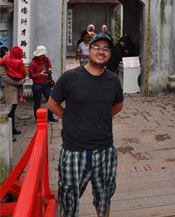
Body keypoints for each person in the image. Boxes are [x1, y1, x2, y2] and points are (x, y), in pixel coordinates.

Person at [49, 32, 124, 217]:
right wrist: (71, 118)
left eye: (106, 49)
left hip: (104, 150)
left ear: (110, 53)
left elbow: (118, 105)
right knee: (68, 201)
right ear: (88, 50)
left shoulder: (113, 80)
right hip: (74, 151)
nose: (101, 51)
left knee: (104, 197)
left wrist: (98, 117)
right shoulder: (70, 77)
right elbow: (52, 104)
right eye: (97, 47)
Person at [0, 45, 26, 140]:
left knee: (13, 109)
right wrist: (18, 82)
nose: (9, 52)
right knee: (10, 110)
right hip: (10, 88)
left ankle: (13, 129)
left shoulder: (9, 60)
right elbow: (5, 78)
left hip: (15, 87)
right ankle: (10, 133)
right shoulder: (3, 62)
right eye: (8, 51)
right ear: (6, 52)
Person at [28, 45, 58, 123]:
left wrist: (50, 69)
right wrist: (40, 74)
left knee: (51, 100)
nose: (42, 56)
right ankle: (37, 118)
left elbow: (50, 66)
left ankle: (50, 117)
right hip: (37, 85)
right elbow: (31, 75)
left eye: (43, 55)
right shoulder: (32, 63)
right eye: (41, 55)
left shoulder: (46, 60)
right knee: (37, 102)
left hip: (46, 84)